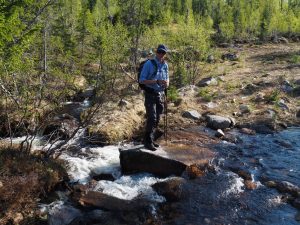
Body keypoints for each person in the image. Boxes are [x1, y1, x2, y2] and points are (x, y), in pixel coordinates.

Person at [139, 44, 169, 151]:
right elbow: (142, 80)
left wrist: (167, 84)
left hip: (160, 94)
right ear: (156, 52)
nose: (161, 54)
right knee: (152, 117)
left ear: (165, 54)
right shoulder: (149, 64)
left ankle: (149, 139)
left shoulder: (165, 65)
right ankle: (147, 142)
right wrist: (156, 81)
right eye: (160, 52)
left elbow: (167, 78)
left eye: (163, 53)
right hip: (150, 93)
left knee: (158, 117)